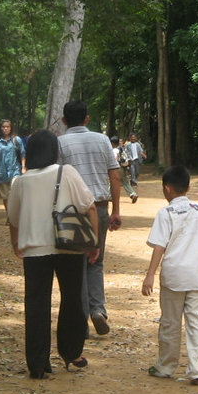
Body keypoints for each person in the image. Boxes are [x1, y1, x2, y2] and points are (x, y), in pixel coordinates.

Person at [7, 129, 100, 379]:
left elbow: (13, 218)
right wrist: (94, 242)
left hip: (34, 251)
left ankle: (38, 364)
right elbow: (90, 207)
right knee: (72, 300)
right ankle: (72, 353)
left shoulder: (20, 181)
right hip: (67, 246)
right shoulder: (66, 172)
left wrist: (16, 243)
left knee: (36, 305)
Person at [142, 166, 198, 386]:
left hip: (174, 276)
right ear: (188, 187)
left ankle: (165, 366)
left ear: (167, 189)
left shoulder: (166, 213)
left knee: (170, 323)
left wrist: (150, 275)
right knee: (197, 324)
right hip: (197, 276)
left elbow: (159, 246)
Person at [58, 100, 121, 336]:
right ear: (87, 119)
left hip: (72, 211)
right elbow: (114, 176)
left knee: (77, 264)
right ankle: (98, 310)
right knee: (96, 260)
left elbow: (57, 179)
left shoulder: (60, 143)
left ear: (64, 120)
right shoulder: (102, 140)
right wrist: (116, 210)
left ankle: (81, 320)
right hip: (100, 207)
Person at [0, 119, 26, 222]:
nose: (5, 128)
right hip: (1, 172)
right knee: (6, 197)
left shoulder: (16, 140)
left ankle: (17, 215)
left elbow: (23, 154)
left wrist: (23, 167)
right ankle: (9, 216)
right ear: (0, 128)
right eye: (3, 127)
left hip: (15, 170)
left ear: (11, 128)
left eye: (7, 127)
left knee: (15, 194)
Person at [110, 136, 138, 203]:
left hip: (116, 168)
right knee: (125, 182)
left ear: (112, 143)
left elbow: (115, 159)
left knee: (112, 181)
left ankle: (109, 196)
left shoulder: (114, 150)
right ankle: (133, 194)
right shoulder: (122, 149)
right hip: (123, 167)